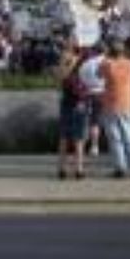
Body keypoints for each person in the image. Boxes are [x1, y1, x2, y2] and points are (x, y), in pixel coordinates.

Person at [100, 41, 130, 179]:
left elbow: (98, 74)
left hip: (110, 105)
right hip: (127, 103)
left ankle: (120, 167)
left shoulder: (108, 65)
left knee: (115, 139)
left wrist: (106, 56)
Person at [56, 45, 87, 179]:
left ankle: (62, 169)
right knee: (78, 139)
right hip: (78, 104)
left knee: (64, 138)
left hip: (66, 104)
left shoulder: (63, 70)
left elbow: (60, 78)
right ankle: (78, 169)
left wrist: (67, 62)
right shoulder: (80, 66)